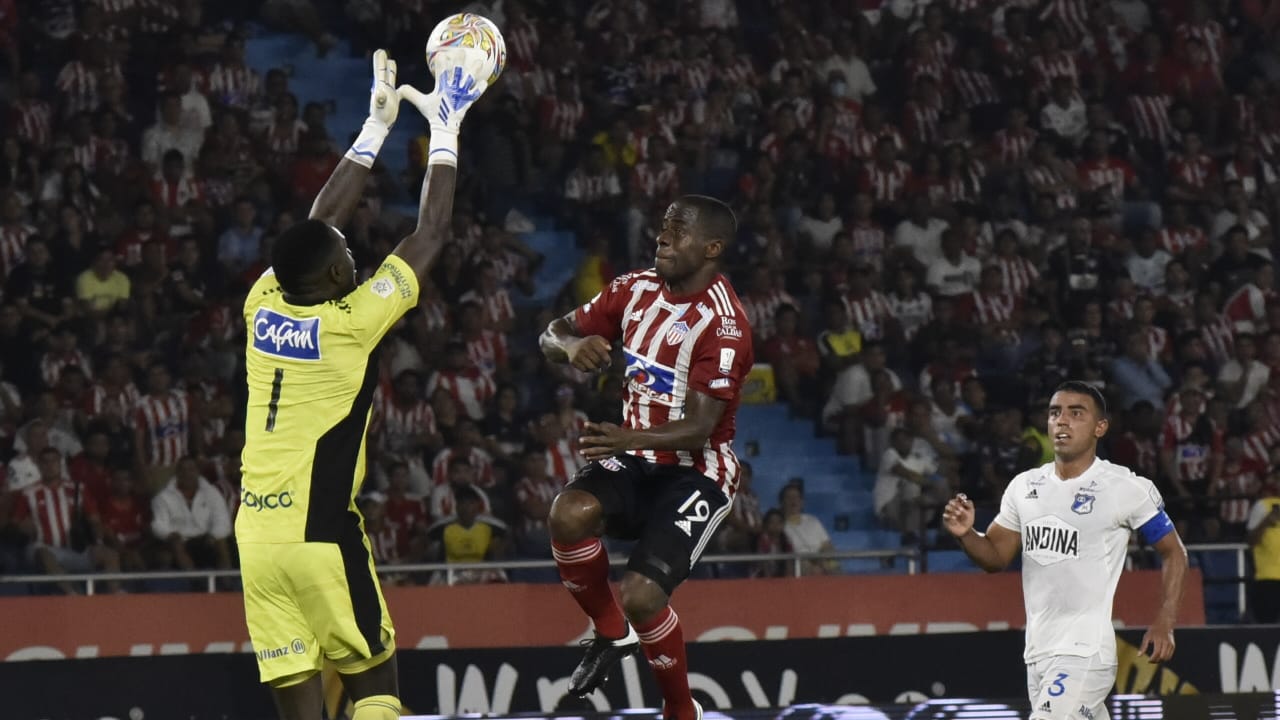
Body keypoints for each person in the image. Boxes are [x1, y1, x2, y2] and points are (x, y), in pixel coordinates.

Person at [234, 49, 492, 720]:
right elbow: (430, 233)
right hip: (319, 531)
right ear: (334, 281)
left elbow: (318, 229)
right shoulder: (351, 323)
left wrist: (371, 134)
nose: (354, 253)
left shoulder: (264, 300)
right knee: (375, 684)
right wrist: (445, 130)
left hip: (255, 539)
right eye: (349, 259)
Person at [540, 194, 753, 720]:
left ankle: (681, 710)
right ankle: (612, 634)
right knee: (567, 515)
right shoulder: (633, 290)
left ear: (712, 247)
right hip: (635, 455)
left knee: (641, 595)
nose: (662, 238)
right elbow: (554, 331)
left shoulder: (724, 327)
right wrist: (570, 348)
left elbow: (701, 427)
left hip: (697, 469)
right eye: (662, 228)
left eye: (677, 232)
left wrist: (623, 440)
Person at [941, 381, 1188, 720]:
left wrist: (1165, 620)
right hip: (1038, 652)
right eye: (1055, 413)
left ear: (1100, 427)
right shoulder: (1025, 487)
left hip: (1084, 651)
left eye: (1076, 413)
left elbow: (1174, 552)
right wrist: (966, 534)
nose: (1062, 421)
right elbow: (995, 557)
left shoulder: (1125, 487)